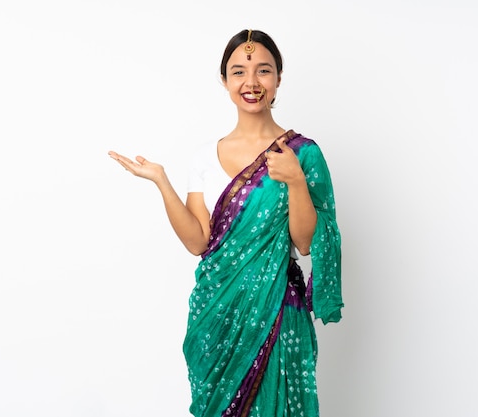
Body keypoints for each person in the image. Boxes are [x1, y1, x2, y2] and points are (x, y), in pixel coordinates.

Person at [109, 29, 343, 417]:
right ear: (224, 81)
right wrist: (162, 182)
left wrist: (296, 181)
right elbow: (199, 242)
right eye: (238, 72)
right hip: (217, 312)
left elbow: (306, 242)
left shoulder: (302, 153)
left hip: (275, 311)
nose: (251, 83)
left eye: (263, 70)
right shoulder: (204, 157)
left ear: (279, 78)